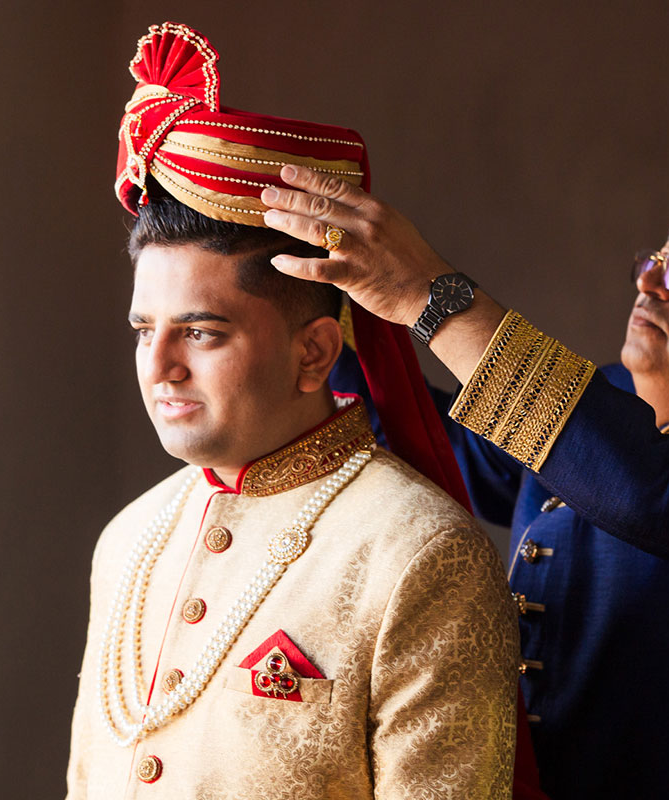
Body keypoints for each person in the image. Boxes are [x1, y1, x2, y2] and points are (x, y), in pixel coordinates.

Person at [256, 157, 669, 791]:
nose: (650, 282)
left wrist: (430, 294)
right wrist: (311, 286)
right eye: (658, 256)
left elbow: (652, 491)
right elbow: (436, 446)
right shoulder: (613, 406)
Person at [65, 23, 517, 798]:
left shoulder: (419, 553)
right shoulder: (128, 538)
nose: (161, 366)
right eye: (146, 331)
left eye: (202, 332)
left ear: (314, 352)